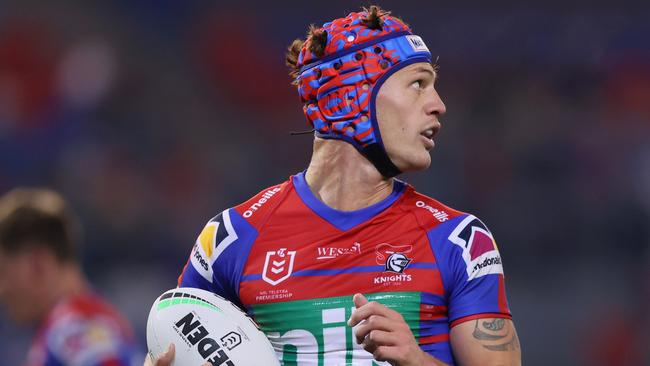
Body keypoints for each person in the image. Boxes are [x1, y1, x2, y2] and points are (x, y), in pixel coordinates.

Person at [153, 5, 521, 366]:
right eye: (418, 84)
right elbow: (172, 347)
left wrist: (415, 360)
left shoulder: (460, 241)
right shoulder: (231, 238)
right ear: (351, 96)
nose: (438, 105)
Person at [0, 188, 140, 366]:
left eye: (3, 271)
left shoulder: (73, 329)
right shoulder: (76, 324)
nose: (2, 290)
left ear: (38, 264)